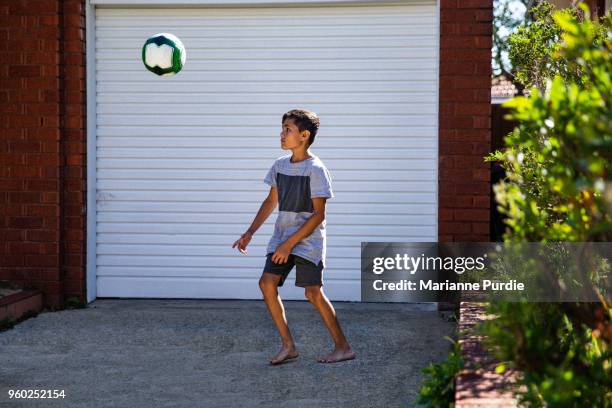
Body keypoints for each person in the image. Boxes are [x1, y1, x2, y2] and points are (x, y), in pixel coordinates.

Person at [232, 109, 356, 365]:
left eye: (287, 129)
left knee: (312, 293)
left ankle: (343, 347)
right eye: (282, 128)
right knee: (267, 284)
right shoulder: (279, 165)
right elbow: (270, 201)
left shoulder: (316, 169)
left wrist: (290, 244)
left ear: (304, 135)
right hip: (282, 239)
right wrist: (250, 232)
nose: (282, 134)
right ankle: (288, 346)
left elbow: (318, 215)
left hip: (307, 242)